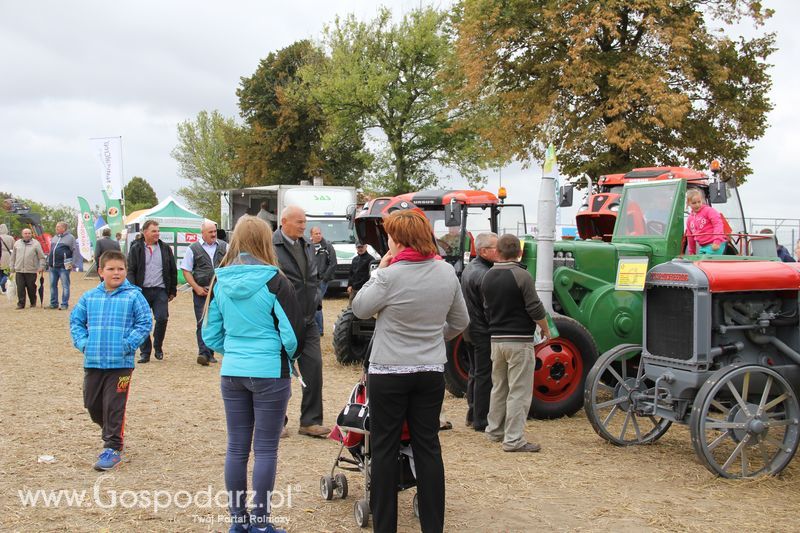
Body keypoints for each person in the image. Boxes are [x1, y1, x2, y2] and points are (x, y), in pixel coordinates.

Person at [352, 209, 469, 533]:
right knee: (427, 446)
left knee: (386, 448)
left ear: (398, 239)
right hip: (429, 370)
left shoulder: (390, 275)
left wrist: (380, 269)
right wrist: (434, 335)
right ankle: (433, 526)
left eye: (389, 235)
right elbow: (461, 321)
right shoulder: (446, 272)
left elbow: (360, 308)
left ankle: (385, 526)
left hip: (389, 370)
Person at [202, 216, 302, 533]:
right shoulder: (276, 281)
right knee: (266, 449)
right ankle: (260, 522)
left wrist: (232, 350)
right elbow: (292, 335)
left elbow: (210, 333)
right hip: (270, 371)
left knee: (236, 447)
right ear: (265, 241)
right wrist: (286, 356)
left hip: (232, 370)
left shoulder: (220, 280)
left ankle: (237, 520)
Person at [69, 250, 152, 470]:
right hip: (94, 361)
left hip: (121, 364)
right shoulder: (89, 297)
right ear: (100, 272)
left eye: (121, 269)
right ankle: (109, 429)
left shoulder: (134, 296)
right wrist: (83, 343)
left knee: (114, 405)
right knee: (92, 404)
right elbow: (76, 321)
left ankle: (112, 446)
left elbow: (144, 323)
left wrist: (128, 344)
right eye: (111, 269)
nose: (116, 273)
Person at [482, 234, 551, 453]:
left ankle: (494, 430)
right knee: (519, 391)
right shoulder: (522, 276)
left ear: (498, 252)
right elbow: (535, 307)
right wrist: (545, 327)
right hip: (519, 341)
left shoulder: (488, 276)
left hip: (496, 339)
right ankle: (513, 439)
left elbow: (486, 308)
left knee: (499, 386)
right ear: (520, 252)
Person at [272, 206, 329, 438]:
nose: (304, 226)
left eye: (305, 222)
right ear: (284, 221)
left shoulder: (306, 245)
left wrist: (315, 300)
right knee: (279, 373)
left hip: (307, 319)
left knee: (313, 368)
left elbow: (312, 277)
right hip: (281, 321)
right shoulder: (271, 246)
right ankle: (276, 421)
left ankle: (310, 421)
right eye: (299, 222)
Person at [460, 232, 498, 432]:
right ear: (483, 251)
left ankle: (472, 413)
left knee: (475, 372)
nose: (499, 251)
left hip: (469, 328)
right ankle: (481, 420)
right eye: (495, 248)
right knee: (484, 375)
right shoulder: (485, 274)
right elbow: (488, 308)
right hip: (482, 330)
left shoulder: (470, 269)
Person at [126, 220, 178, 363]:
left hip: (160, 290)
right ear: (145, 232)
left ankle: (158, 345)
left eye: (158, 231)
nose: (157, 233)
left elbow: (173, 270)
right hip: (141, 291)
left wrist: (172, 290)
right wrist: (132, 289)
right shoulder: (136, 248)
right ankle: (145, 352)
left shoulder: (165, 248)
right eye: (154, 231)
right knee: (142, 322)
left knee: (162, 318)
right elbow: (131, 269)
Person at [181, 221, 228, 366]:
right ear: (202, 233)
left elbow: (232, 264)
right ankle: (203, 353)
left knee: (220, 322)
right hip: (202, 291)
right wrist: (196, 287)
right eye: (210, 232)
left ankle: (212, 352)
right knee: (202, 322)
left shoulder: (225, 246)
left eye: (214, 231)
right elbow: (186, 270)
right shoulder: (193, 249)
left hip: (220, 291)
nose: (214, 234)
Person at [310, 226, 337, 335]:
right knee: (312, 304)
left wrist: (325, 278)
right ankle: (315, 328)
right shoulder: (308, 246)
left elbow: (333, 263)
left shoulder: (327, 246)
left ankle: (320, 330)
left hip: (322, 280)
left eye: (319, 233)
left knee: (317, 303)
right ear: (311, 235)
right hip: (311, 280)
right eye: (316, 233)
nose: (318, 235)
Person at [10, 228, 46, 309]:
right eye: (25, 233)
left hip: (31, 270)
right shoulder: (17, 243)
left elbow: (41, 257)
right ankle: (21, 304)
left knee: (31, 287)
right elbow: (13, 257)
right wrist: (11, 267)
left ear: (31, 234)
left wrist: (41, 266)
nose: (27, 235)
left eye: (29, 233)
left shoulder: (36, 244)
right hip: (19, 270)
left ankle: (33, 302)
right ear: (22, 234)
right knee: (20, 288)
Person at [685, 189, 725, 255]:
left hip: (714, 245)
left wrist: (717, 241)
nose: (697, 205)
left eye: (699, 202)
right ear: (688, 203)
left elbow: (718, 224)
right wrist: (692, 251)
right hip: (703, 246)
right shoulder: (690, 219)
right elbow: (690, 237)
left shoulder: (708, 211)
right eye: (694, 203)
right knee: (698, 263)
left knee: (706, 263)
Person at [47, 221, 76, 309]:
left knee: (65, 286)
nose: (56, 228)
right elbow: (51, 251)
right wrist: (48, 261)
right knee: (52, 285)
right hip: (53, 266)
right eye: (56, 227)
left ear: (64, 228)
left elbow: (74, 251)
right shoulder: (54, 237)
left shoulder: (70, 238)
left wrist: (72, 263)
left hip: (64, 266)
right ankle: (53, 303)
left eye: (58, 227)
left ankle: (64, 304)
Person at [0, 223, 14, 293]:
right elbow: (13, 247)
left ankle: (1, 286)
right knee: (6, 272)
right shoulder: (10, 238)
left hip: (0, 255)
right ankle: (2, 285)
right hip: (7, 256)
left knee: (0, 272)